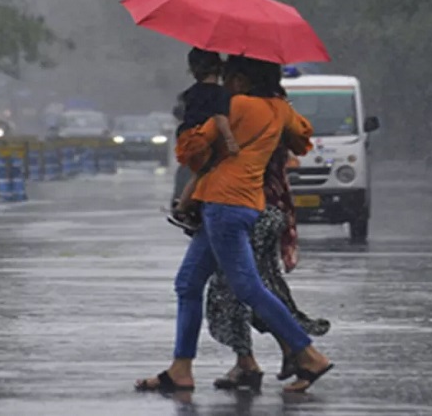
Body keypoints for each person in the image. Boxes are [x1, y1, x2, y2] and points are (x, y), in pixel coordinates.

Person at [135, 56, 334, 395]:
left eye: (229, 77)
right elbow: (302, 139)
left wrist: (196, 122)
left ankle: (308, 352)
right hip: (246, 202)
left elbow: (191, 150)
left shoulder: (235, 104)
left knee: (248, 287)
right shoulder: (279, 109)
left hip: (223, 204)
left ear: (241, 80)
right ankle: (181, 368)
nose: (225, 82)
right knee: (188, 283)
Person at [168, 48, 239, 231]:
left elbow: (183, 114)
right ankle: (184, 208)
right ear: (220, 69)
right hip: (204, 141)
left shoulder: (189, 93)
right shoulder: (220, 94)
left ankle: (188, 208)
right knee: (205, 174)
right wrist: (230, 140)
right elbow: (220, 118)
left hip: (186, 139)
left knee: (197, 174)